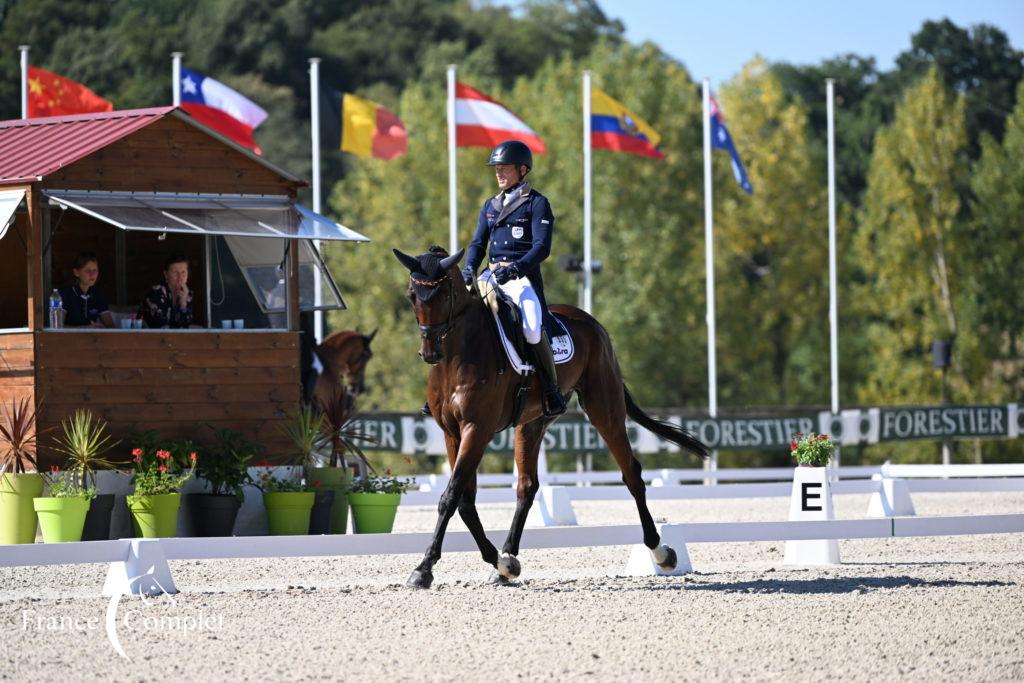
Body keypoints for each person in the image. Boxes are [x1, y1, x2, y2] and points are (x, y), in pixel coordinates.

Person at [463, 139, 567, 417]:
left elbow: (541, 247)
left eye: (504, 168)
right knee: (458, 314)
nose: (498, 173)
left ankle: (550, 388)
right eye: (496, 168)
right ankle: (446, 383)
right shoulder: (490, 205)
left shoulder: (536, 204)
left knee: (533, 328)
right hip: (491, 274)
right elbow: (477, 244)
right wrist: (469, 268)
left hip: (521, 278)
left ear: (523, 170)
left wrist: (517, 268)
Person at [58, 252, 114, 328]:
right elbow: (57, 327)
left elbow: (110, 326)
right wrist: (85, 328)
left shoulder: (98, 294)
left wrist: (101, 328)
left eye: (95, 270)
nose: (92, 274)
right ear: (76, 272)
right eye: (88, 271)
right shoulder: (64, 294)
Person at [139, 254, 194, 329]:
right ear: (166, 274)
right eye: (175, 273)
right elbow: (161, 327)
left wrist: (183, 303)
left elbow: (186, 326)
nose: (180, 277)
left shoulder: (187, 294)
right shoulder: (156, 292)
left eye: (183, 272)